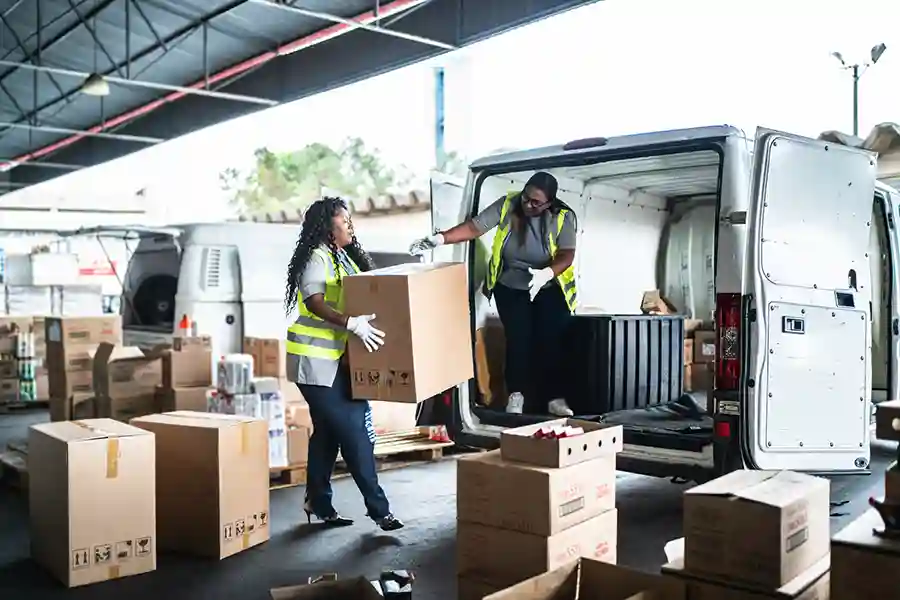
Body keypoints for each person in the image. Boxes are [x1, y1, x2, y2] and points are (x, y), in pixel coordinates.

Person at [409, 172, 578, 417]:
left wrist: (547, 274)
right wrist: (439, 239)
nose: (528, 205)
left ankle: (554, 399)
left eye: (536, 203)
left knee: (551, 340)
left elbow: (566, 254)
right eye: (526, 198)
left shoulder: (563, 217)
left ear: (549, 204)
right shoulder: (508, 204)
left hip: (547, 286)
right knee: (519, 341)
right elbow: (474, 227)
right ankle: (516, 396)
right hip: (511, 287)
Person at [284, 196, 403, 531]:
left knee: (328, 435)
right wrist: (351, 323)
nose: (350, 227)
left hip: (339, 362)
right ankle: (381, 511)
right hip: (315, 363)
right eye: (344, 221)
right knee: (356, 431)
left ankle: (318, 502)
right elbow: (315, 301)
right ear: (327, 227)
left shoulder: (344, 258)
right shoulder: (316, 257)